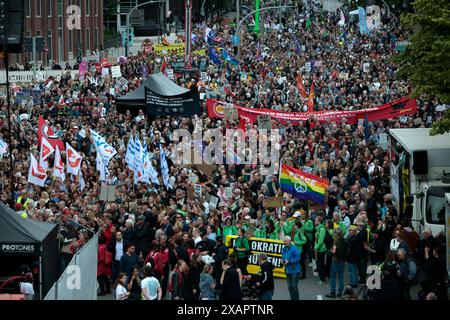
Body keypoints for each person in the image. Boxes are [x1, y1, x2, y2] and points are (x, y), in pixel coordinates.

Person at [326, 228, 347, 298]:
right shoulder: (344, 240)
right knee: (341, 277)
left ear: (336, 234)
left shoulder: (335, 240)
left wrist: (330, 250)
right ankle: (340, 292)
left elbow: (334, 251)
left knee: (333, 277)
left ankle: (333, 292)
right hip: (342, 260)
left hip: (335, 261)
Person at [281, 236, 301, 300]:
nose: (285, 242)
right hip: (287, 270)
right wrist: (282, 260)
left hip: (295, 270)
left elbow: (298, 258)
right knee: (289, 287)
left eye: (287, 241)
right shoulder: (284, 248)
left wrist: (289, 261)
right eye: (284, 241)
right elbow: (283, 257)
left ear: (290, 241)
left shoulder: (294, 248)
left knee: (294, 286)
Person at [314, 216, 328, 284]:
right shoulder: (318, 229)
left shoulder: (322, 229)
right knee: (319, 265)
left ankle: (323, 280)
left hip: (322, 249)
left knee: (320, 265)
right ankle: (322, 278)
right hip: (319, 249)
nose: (315, 222)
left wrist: (316, 247)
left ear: (320, 222)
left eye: (316, 221)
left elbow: (320, 240)